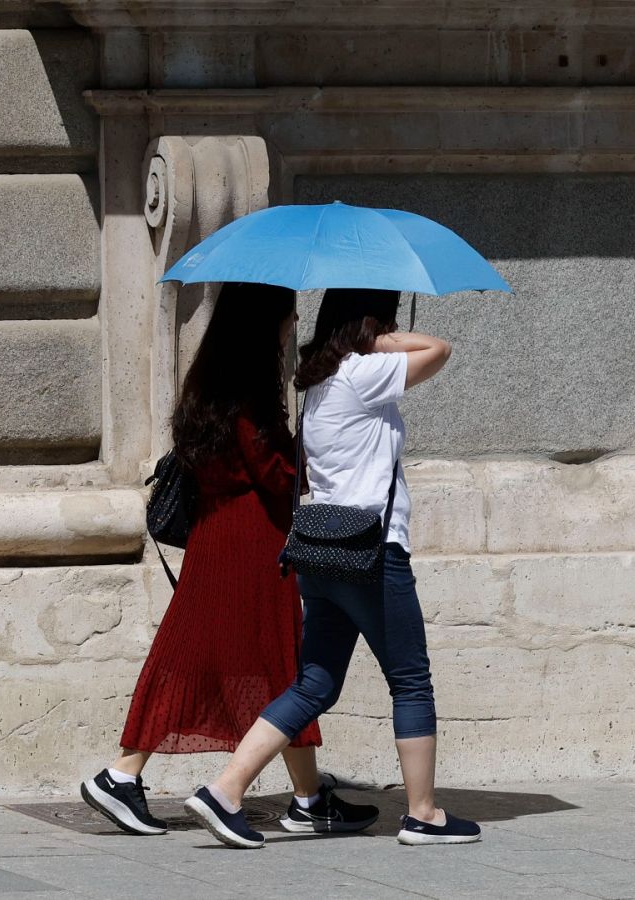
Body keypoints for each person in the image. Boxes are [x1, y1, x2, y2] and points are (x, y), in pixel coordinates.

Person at [184, 287, 479, 850]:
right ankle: (423, 814)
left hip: (322, 556)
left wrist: (363, 335)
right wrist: (376, 338)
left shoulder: (317, 383)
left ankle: (225, 790)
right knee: (411, 680)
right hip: (373, 554)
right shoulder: (361, 373)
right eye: (387, 318)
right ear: (370, 322)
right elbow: (440, 349)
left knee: (314, 684)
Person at [81, 282, 377, 837]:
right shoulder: (250, 389)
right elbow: (273, 473)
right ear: (266, 318)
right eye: (288, 311)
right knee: (279, 660)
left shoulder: (211, 379)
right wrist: (310, 453)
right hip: (250, 538)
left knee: (254, 660)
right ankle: (124, 774)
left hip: (218, 534)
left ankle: (308, 796)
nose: (294, 321)